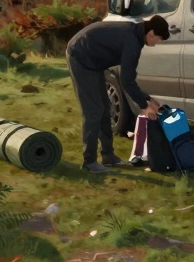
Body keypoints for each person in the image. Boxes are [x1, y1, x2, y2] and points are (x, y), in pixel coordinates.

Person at [65, 14, 170, 174]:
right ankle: (89, 162)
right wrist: (144, 106)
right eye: (158, 39)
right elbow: (127, 81)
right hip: (80, 56)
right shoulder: (133, 42)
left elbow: (128, 78)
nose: (157, 44)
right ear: (151, 34)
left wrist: (148, 99)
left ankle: (108, 156)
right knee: (93, 111)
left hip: (93, 61)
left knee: (104, 108)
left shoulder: (135, 34)